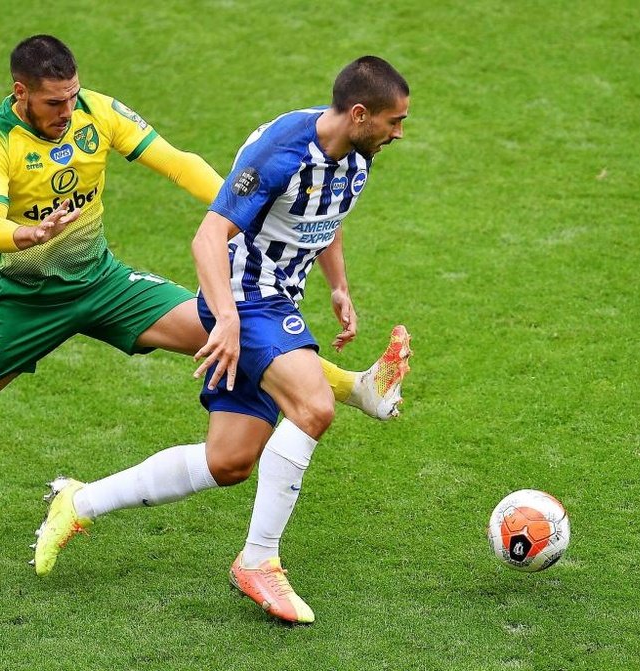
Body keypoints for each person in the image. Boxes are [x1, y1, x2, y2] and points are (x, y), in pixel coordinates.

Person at [0, 37, 404, 556]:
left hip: (104, 285)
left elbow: (177, 161)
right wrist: (28, 231)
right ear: (20, 93)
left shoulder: (96, 112)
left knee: (224, 327)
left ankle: (350, 387)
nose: (66, 111)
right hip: (26, 307)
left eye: (72, 97)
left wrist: (246, 204)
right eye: (53, 103)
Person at [32, 56, 412, 625]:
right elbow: (208, 236)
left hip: (279, 299)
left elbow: (324, 219)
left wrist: (338, 287)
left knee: (229, 460)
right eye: (394, 121)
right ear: (360, 114)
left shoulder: (356, 155)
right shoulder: (281, 152)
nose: (399, 133)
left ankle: (78, 502)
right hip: (246, 296)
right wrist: (228, 319)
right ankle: (259, 561)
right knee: (311, 406)